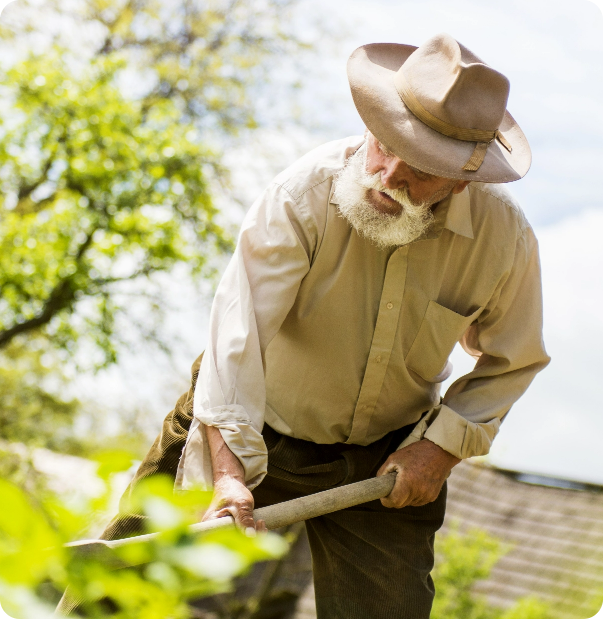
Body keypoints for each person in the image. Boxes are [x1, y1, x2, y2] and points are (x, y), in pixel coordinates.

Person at [58, 32, 550, 618]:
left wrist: (441, 450)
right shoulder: (301, 196)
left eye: (419, 168)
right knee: (112, 597)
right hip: (244, 420)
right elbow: (235, 343)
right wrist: (228, 471)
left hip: (387, 457)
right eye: (383, 144)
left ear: (465, 176)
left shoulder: (505, 241)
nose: (388, 173)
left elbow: (512, 360)